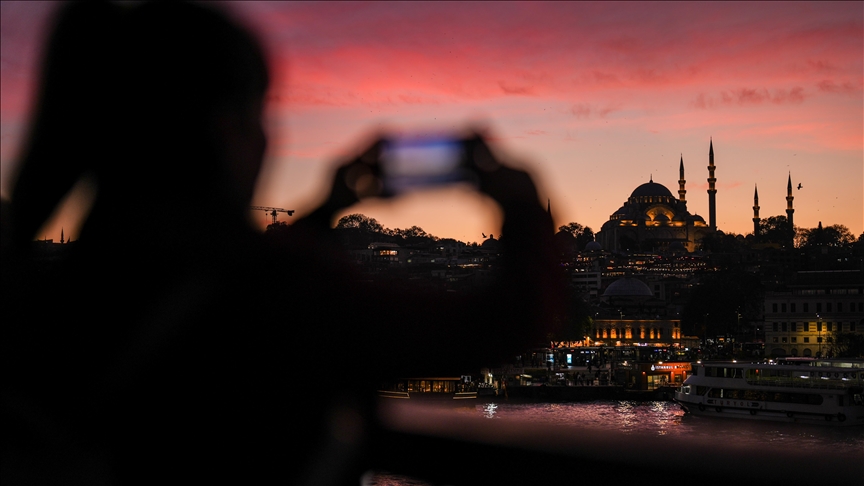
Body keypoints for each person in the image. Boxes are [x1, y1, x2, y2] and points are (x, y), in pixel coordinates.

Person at [2, 2, 563, 485]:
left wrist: (325, 210)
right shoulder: (289, 303)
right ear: (227, 131)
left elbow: (222, 279)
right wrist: (522, 204)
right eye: (261, 114)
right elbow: (504, 321)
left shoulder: (47, 293)